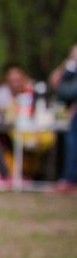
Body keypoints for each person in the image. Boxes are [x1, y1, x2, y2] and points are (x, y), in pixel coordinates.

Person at [49, 44, 77, 194]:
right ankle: (67, 178)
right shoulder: (70, 69)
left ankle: (69, 179)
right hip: (67, 113)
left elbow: (66, 91)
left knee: (73, 141)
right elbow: (54, 82)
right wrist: (66, 64)